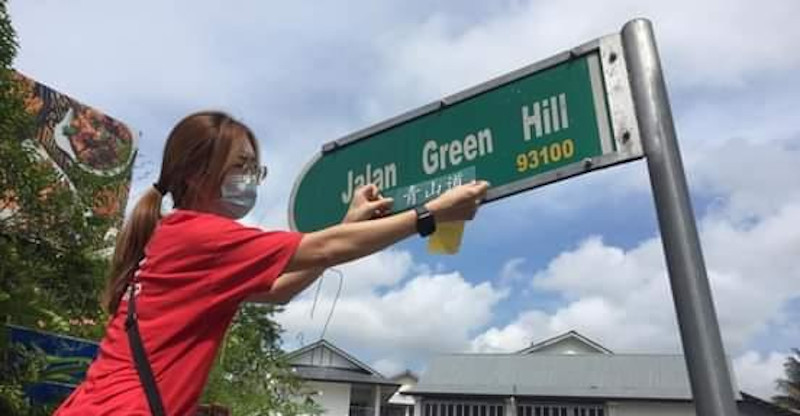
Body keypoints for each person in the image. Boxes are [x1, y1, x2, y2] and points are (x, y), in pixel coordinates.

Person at [54, 111, 489, 415]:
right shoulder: (196, 235)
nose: (250, 178)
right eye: (240, 165)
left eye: (254, 168)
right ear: (195, 174)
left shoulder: (176, 241)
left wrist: (346, 223)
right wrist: (431, 215)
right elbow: (324, 249)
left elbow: (280, 289)